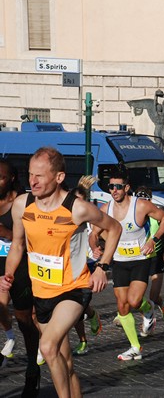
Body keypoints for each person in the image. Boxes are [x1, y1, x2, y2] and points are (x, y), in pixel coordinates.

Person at [0, 147, 122, 396]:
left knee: (46, 346)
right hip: (42, 292)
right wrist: (8, 274)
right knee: (64, 363)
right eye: (30, 174)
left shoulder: (77, 208)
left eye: (40, 176)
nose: (32, 181)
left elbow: (115, 228)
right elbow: (17, 246)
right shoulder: (22, 205)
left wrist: (102, 268)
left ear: (58, 177)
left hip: (73, 289)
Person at [90, 169, 164, 361]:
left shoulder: (141, 205)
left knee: (134, 301)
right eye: (111, 187)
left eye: (118, 187)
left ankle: (147, 308)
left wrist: (153, 239)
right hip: (119, 261)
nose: (114, 190)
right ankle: (135, 346)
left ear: (126, 188)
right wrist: (95, 247)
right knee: (122, 306)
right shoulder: (105, 209)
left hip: (140, 260)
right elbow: (93, 233)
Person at [0, 158, 41, 396]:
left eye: (1, 177)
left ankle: (32, 370)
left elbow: (37, 240)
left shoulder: (25, 202)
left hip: (20, 270)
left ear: (12, 178)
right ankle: (8, 339)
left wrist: (5, 233)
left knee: (26, 322)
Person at [70, 176, 104, 357]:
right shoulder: (67, 218)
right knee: (75, 306)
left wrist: (98, 251)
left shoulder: (93, 219)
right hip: (72, 266)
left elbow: (109, 233)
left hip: (89, 267)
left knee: (77, 308)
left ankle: (83, 341)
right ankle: (91, 316)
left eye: (82, 202)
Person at [135, 186, 164, 322]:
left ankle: (162, 303)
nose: (142, 202)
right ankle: (148, 320)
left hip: (157, 256)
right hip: (140, 257)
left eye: (145, 199)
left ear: (150, 200)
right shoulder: (134, 214)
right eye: (139, 199)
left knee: (153, 297)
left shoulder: (158, 213)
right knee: (137, 295)